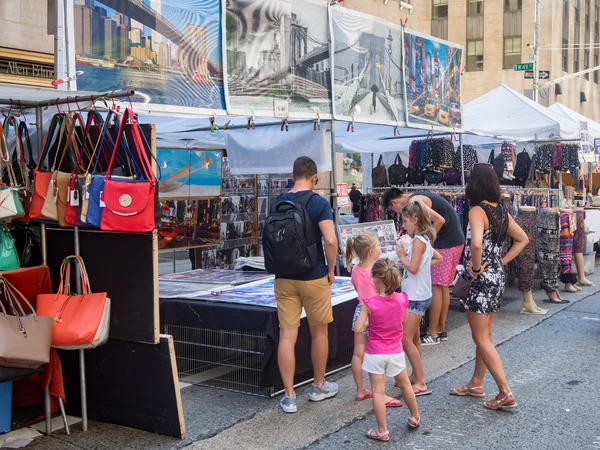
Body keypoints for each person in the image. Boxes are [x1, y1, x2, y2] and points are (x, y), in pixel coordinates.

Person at [449, 163, 528, 410]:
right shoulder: (503, 211)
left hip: (480, 279)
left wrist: (474, 269)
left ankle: (505, 391)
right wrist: (501, 261)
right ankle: (476, 382)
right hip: (496, 276)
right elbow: (523, 239)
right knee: (486, 335)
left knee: (481, 337)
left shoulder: (476, 211)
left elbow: (475, 245)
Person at [273, 156, 339, 414]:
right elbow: (331, 241)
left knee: (287, 335)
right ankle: (318, 386)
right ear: (314, 178)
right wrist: (331, 269)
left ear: (293, 176)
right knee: (318, 333)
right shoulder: (319, 203)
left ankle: (289, 396)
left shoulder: (278, 201)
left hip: (284, 277)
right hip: (313, 276)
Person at [383, 188, 465, 345]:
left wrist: (424, 245)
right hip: (453, 241)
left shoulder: (417, 201)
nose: (402, 221)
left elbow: (440, 220)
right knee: (442, 286)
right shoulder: (418, 197)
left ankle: (433, 332)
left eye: (404, 220)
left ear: (394, 203)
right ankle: (440, 330)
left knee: (437, 285)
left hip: (447, 243)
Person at [354, 259, 420, 442]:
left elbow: (359, 328)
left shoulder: (370, 304)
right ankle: (415, 416)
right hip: (395, 350)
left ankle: (382, 430)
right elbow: (404, 320)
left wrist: (368, 322)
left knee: (377, 391)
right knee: (405, 384)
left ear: (376, 279)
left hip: (375, 352)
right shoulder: (402, 299)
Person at [346, 233, 403, 407]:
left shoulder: (355, 269)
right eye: (378, 246)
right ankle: (382, 394)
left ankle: (361, 389)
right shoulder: (375, 273)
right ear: (371, 252)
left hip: (360, 311)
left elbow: (357, 288)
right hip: (375, 313)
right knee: (379, 353)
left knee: (358, 353)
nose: (380, 249)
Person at [395, 201, 443, 397]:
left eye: (405, 221)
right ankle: (415, 375)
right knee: (413, 338)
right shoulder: (424, 240)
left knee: (406, 340)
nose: (403, 224)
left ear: (415, 220)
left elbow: (412, 268)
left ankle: (421, 380)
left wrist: (402, 257)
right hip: (419, 294)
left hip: (415, 296)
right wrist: (422, 264)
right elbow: (437, 258)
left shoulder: (417, 242)